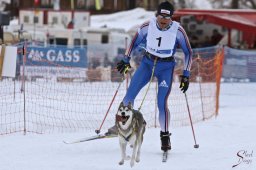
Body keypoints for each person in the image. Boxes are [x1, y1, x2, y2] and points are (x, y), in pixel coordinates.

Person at [116, 1, 192, 151]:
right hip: (147, 64)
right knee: (128, 97)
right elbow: (134, 42)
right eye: (160, 20)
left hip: (166, 68)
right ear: (156, 16)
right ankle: (124, 125)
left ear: (171, 18)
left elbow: (188, 52)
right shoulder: (147, 26)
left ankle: (165, 136)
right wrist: (125, 59)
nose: (163, 23)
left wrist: (186, 75)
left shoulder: (178, 30)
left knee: (161, 103)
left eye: (166, 20)